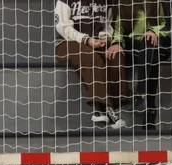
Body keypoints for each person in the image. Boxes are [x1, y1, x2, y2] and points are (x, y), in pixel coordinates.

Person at [54, 0, 128, 128]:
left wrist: (106, 36)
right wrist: (86, 39)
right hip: (67, 42)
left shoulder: (107, 2)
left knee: (115, 55)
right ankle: (102, 109)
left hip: (94, 42)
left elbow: (108, 25)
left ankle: (115, 105)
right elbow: (63, 27)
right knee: (90, 57)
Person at [109, 1, 171, 127]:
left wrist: (153, 31)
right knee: (151, 55)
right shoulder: (124, 4)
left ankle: (141, 95)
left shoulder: (157, 3)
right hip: (135, 45)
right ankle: (149, 111)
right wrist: (117, 43)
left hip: (159, 42)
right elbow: (118, 28)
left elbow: (167, 24)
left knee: (149, 45)